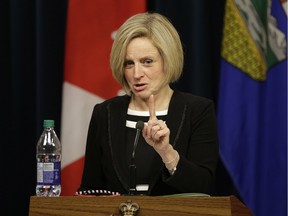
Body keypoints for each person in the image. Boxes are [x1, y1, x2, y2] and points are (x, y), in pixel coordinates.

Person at [76, 12, 219, 196]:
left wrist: (167, 152)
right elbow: (90, 190)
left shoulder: (197, 111)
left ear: (168, 60)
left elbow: (203, 187)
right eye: (129, 63)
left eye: (147, 62)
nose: (136, 74)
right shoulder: (105, 113)